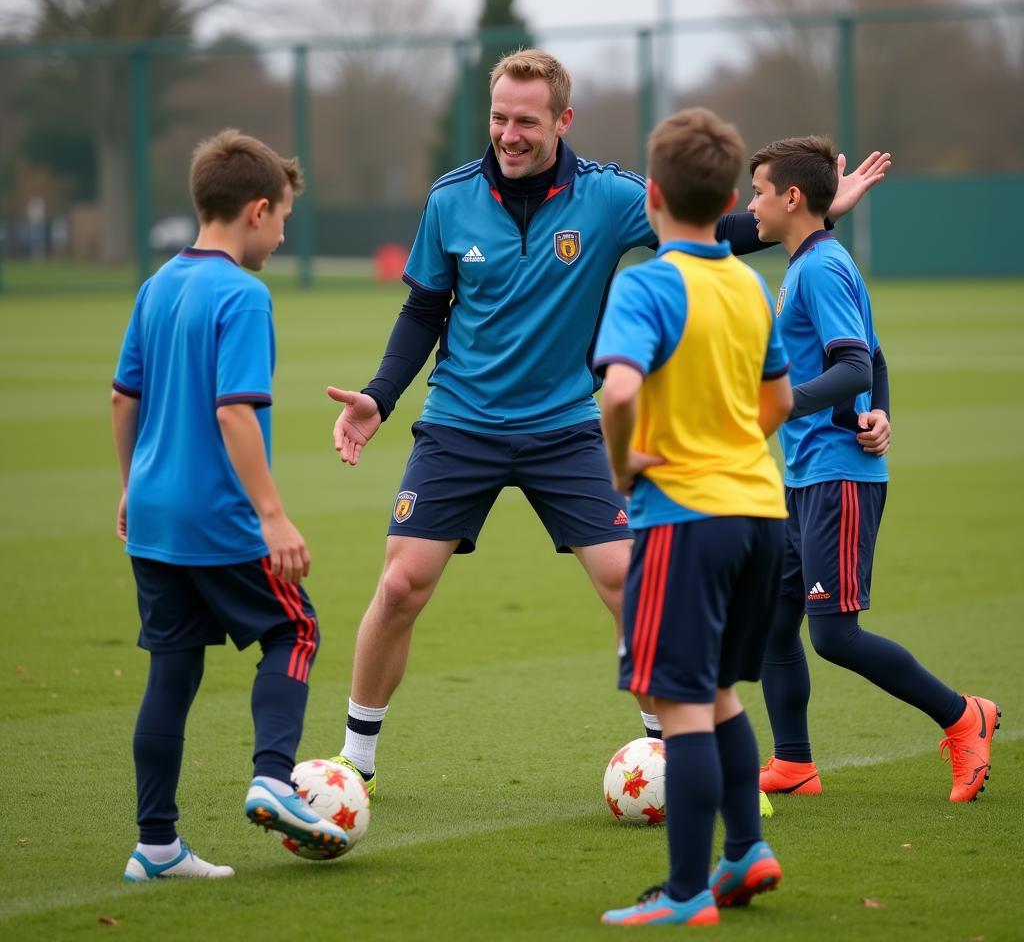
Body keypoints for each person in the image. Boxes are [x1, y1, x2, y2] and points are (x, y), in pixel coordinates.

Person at [324, 49, 887, 793]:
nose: (509, 134)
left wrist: (815, 209)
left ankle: (665, 755)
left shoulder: (610, 196)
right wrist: (379, 396)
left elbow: (709, 226)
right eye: (498, 117)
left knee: (630, 582)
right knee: (399, 586)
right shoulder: (449, 200)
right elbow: (424, 309)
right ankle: (354, 761)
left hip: (565, 425)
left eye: (526, 120)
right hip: (460, 424)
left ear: (563, 119)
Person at [111, 129, 349, 882]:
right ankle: (275, 777)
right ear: (255, 210)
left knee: (171, 673)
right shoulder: (243, 294)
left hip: (152, 516)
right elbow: (234, 413)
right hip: (219, 518)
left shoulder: (159, 285)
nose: (281, 234)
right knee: (296, 628)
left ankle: (156, 847)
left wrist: (130, 486)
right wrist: (273, 515)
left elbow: (123, 397)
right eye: (281, 217)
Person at [748, 135, 1000, 804]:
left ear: (791, 198)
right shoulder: (811, 263)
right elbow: (875, 362)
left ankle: (963, 716)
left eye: (759, 192)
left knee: (832, 635)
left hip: (838, 476)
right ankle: (794, 764)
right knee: (775, 623)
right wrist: (879, 411)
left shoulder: (820, 269)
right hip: (803, 477)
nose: (752, 206)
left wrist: (777, 406)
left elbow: (854, 364)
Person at [595, 107, 792, 927]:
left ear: (653, 194)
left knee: (679, 705)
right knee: (718, 694)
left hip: (686, 519)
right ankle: (745, 852)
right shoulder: (749, 282)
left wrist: (624, 463)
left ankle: (684, 897)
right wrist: (728, 448)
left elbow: (619, 389)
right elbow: (778, 397)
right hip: (761, 512)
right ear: (726, 203)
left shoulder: (646, 283)